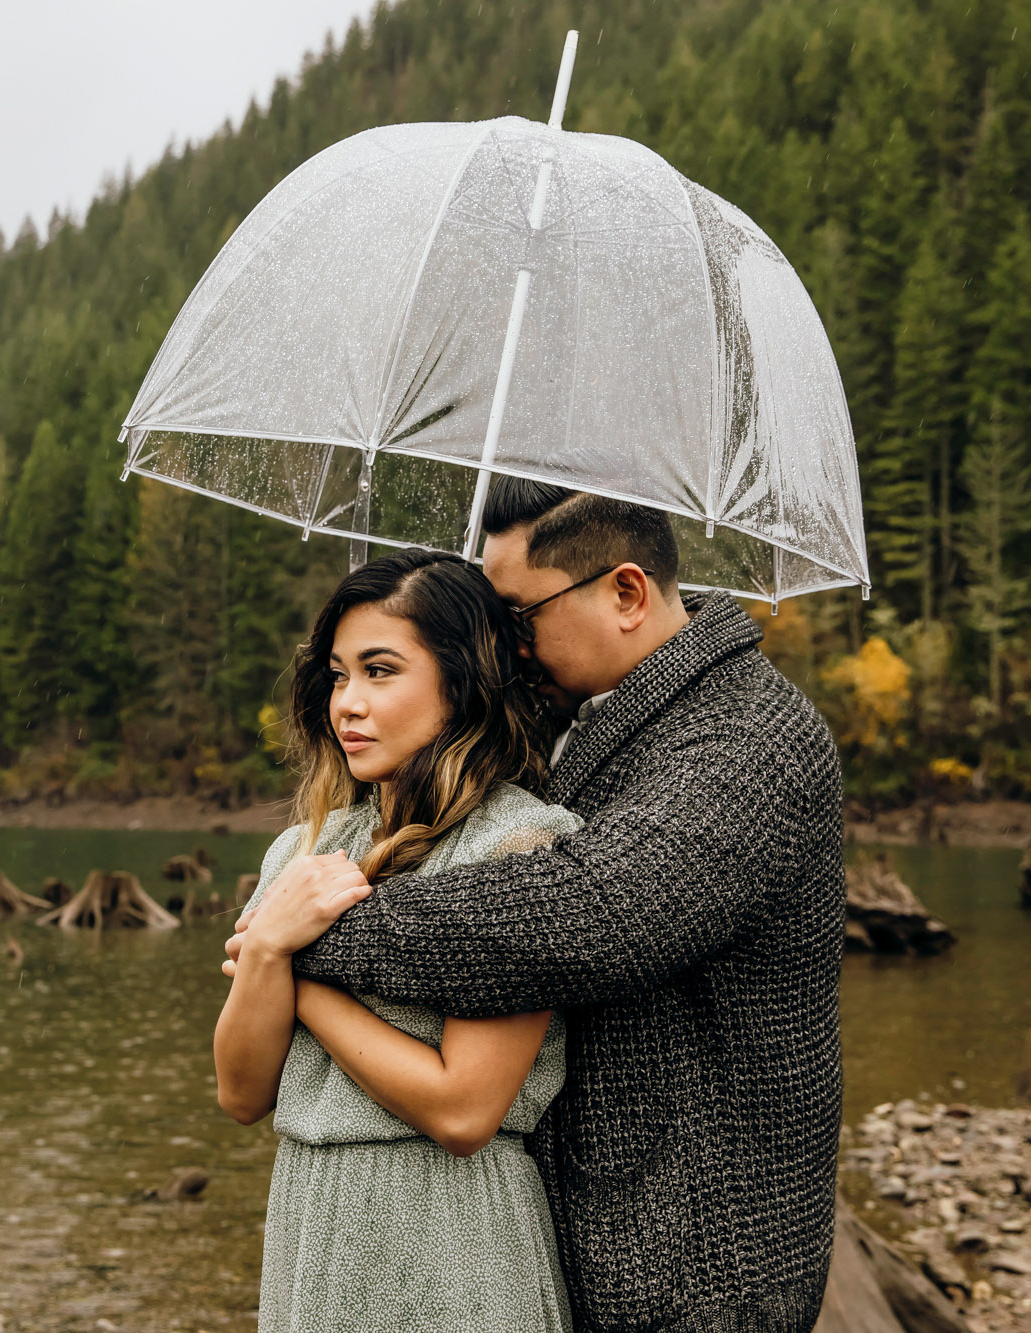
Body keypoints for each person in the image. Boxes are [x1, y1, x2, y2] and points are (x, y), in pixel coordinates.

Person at [228, 479, 847, 1333]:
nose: (507, 650)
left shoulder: (747, 740)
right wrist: (281, 934)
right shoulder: (597, 718)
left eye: (519, 618)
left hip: (702, 1269)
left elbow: (591, 914)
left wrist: (299, 941)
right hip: (597, 1239)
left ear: (626, 592)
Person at [215, 546, 584, 1333]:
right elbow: (243, 1093)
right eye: (339, 674)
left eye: (381, 670)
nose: (347, 702)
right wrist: (270, 950)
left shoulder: (520, 847)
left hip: (449, 1229)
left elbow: (463, 1109)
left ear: (461, 680)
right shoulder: (304, 851)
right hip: (312, 1219)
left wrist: (294, 969)